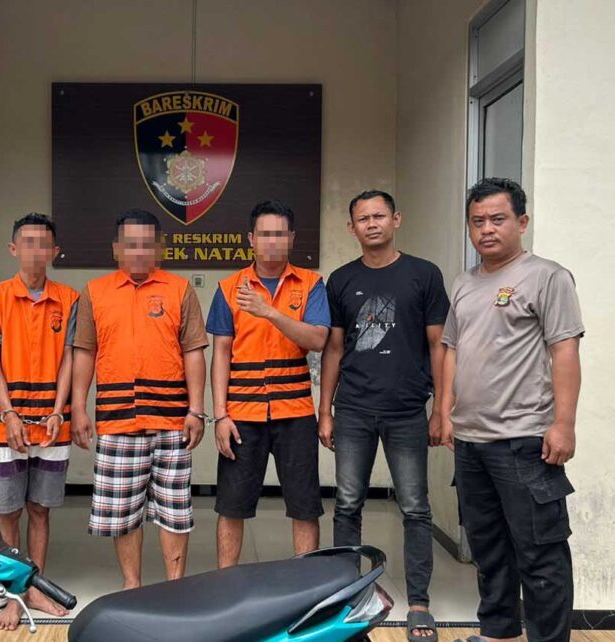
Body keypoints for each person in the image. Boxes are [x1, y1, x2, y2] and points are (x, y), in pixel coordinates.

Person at [440, 178, 583, 642]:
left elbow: (564, 351)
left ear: (522, 222)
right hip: (471, 441)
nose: (487, 229)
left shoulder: (547, 277)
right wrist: (445, 411)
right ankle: (498, 632)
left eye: (498, 219)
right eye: (477, 221)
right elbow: (452, 349)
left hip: (524, 440)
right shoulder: (464, 283)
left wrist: (563, 424)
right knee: (488, 547)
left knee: (540, 552)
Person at [319, 190, 449, 642]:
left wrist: (441, 409)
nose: (371, 223)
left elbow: (439, 345)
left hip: (408, 410)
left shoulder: (423, 275)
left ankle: (419, 604)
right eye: (362, 218)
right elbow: (334, 349)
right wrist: (325, 410)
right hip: (354, 408)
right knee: (347, 504)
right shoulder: (340, 279)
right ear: (351, 227)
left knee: (415, 508)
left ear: (396, 219)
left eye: (379, 215)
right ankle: (346, 598)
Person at [70, 209, 209, 588]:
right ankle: (132, 586)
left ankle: (174, 586)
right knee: (124, 511)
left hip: (172, 420)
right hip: (117, 420)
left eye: (147, 244)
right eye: (131, 244)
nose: (139, 251)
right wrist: (78, 408)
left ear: (160, 248)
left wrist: (197, 410)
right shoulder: (95, 292)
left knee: (174, 511)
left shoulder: (179, 290)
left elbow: (194, 352)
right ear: (117, 248)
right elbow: (84, 352)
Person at [206, 199, 329, 567]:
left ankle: (306, 585)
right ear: (251, 239)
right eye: (264, 234)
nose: (272, 241)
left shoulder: (311, 284)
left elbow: (318, 339)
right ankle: (226, 583)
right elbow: (221, 354)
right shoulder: (229, 288)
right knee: (232, 505)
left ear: (291, 238)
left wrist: (269, 312)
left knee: (304, 505)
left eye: (279, 234)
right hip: (242, 415)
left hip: (295, 412)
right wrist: (220, 415)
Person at [0, 213, 78, 629]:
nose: (36, 250)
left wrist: (58, 409)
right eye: (27, 242)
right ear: (13, 249)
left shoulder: (69, 299)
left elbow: (69, 360)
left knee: (40, 509)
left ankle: (36, 587)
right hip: (5, 425)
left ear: (55, 251)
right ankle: (13, 592)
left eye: (43, 243)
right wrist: (9, 413)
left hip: (51, 425)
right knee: (8, 511)